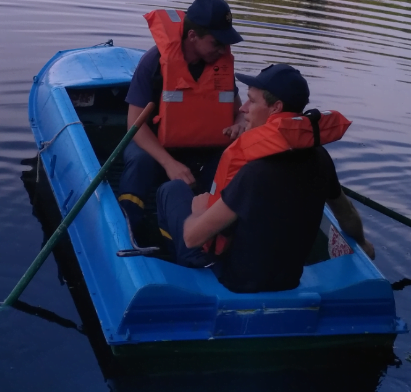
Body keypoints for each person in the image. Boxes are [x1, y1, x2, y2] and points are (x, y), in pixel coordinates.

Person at [155, 63, 376, 293]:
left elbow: (193, 238)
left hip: (234, 282)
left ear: (275, 108)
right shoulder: (320, 156)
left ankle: (184, 274)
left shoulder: (254, 171)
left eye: (252, 100)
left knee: (172, 190)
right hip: (289, 280)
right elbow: (346, 212)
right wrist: (362, 242)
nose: (243, 108)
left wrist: (199, 211)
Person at [119, 0, 247, 235]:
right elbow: (134, 125)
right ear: (192, 37)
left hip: (201, 147)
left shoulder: (220, 66)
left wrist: (240, 122)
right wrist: (169, 164)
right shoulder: (154, 63)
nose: (222, 49)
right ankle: (129, 228)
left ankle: (214, 232)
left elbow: (238, 112)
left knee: (232, 161)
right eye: (216, 42)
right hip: (156, 144)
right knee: (139, 162)